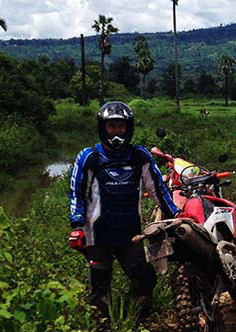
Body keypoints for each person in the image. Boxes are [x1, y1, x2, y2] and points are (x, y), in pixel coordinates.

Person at [67, 101, 181, 323]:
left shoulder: (139, 156)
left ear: (128, 128)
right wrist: (77, 226)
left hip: (131, 235)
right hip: (97, 236)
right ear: (103, 128)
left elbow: (158, 188)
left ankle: (133, 320)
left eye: (121, 126)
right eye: (112, 126)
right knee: (100, 291)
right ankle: (104, 325)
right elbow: (76, 193)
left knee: (145, 279)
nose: (116, 131)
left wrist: (175, 217)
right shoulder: (90, 157)